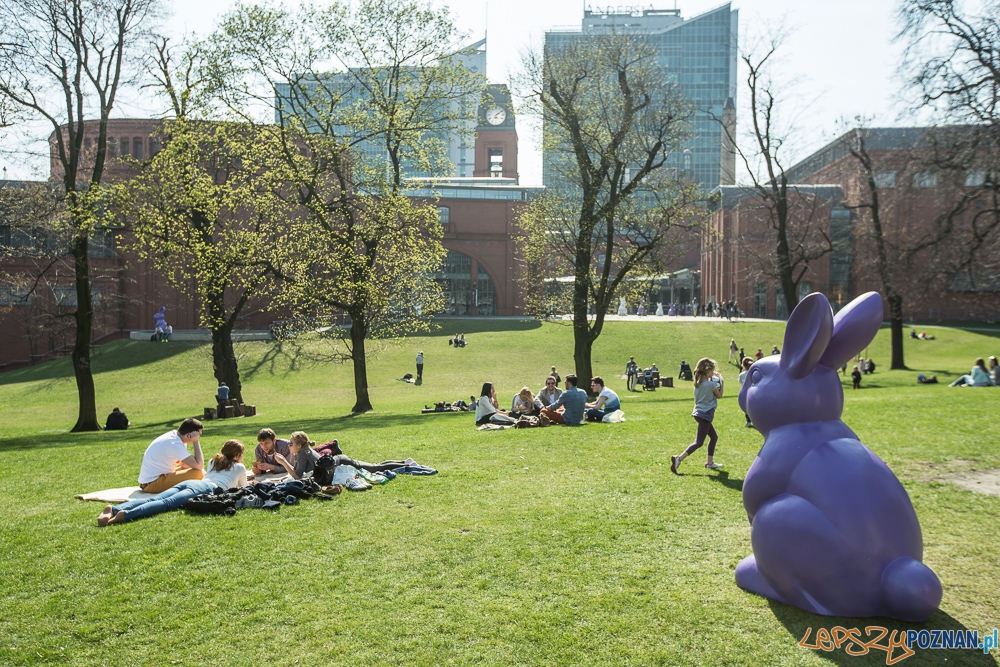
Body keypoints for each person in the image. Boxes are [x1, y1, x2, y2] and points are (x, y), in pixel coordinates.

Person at [99, 439, 247, 526]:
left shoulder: (213, 461)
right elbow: (243, 487)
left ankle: (114, 509)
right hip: (207, 488)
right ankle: (127, 515)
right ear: (238, 455)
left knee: (155, 498)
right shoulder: (239, 467)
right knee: (167, 503)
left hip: (191, 482)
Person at [670, 358, 724, 473]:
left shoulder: (697, 384)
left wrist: (712, 378)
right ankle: (678, 459)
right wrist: (721, 381)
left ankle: (710, 463)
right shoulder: (711, 384)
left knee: (714, 437)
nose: (713, 373)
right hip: (705, 415)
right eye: (712, 371)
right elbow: (719, 395)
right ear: (707, 371)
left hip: (698, 413)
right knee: (698, 442)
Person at [136, 418, 205, 494]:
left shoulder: (176, 437)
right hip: (152, 484)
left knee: (199, 472)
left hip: (157, 478)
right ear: (189, 435)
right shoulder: (174, 444)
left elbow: (184, 464)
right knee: (199, 473)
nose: (199, 438)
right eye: (198, 435)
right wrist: (196, 442)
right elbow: (199, 465)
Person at [738, 358, 754, 427]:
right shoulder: (754, 373)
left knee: (747, 408)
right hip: (753, 392)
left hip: (745, 393)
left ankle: (748, 421)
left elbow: (740, 382)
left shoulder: (742, 375)